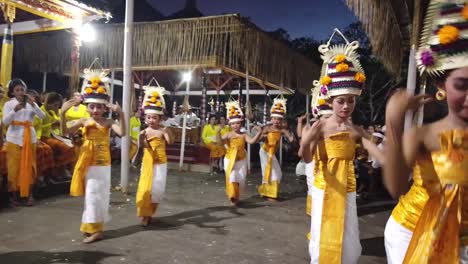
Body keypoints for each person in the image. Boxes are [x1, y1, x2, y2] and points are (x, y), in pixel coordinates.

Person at [383, 1, 468, 262]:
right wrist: (393, 123)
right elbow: (395, 187)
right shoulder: (422, 136)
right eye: (462, 85)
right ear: (442, 85)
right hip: (411, 232)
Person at [300, 35, 384, 263]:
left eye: (351, 101)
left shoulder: (355, 129)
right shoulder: (320, 125)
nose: (346, 105)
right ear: (331, 101)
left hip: (347, 187)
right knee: (322, 229)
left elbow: (376, 153)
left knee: (347, 231)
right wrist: (306, 144)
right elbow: (305, 155)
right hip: (323, 185)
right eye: (341, 101)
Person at [60, 67, 125, 244]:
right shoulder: (84, 121)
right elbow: (64, 131)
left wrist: (121, 114)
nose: (95, 110)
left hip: (102, 164)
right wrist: (62, 113)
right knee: (92, 195)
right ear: (87, 107)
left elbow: (123, 132)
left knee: (97, 195)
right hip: (87, 161)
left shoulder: (109, 122)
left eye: (99, 107)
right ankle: (92, 227)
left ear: (105, 108)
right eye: (92, 106)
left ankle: (96, 230)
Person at [2, 79, 46, 206]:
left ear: (25, 90)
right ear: (12, 92)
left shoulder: (31, 103)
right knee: (14, 167)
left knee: (30, 166)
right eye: (17, 90)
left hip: (30, 137)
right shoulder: (9, 104)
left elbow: (42, 116)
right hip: (13, 138)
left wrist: (33, 105)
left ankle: (28, 195)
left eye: (22, 89)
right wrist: (14, 110)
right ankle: (14, 195)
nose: (20, 92)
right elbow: (4, 122)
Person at [136, 85, 171, 226]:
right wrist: (140, 138)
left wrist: (167, 132)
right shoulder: (145, 131)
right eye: (149, 117)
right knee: (146, 188)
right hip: (148, 162)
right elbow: (143, 145)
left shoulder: (163, 130)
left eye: (154, 118)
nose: (151, 120)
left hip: (161, 163)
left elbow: (170, 142)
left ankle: (150, 212)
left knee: (157, 190)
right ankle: (145, 214)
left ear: (160, 118)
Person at [219, 99, 262, 205]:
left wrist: (259, 133)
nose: (235, 126)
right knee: (232, 177)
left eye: (237, 123)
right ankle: (232, 197)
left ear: (240, 123)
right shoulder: (228, 134)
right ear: (230, 125)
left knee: (241, 180)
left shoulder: (244, 134)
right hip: (230, 160)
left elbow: (251, 141)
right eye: (233, 124)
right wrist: (218, 132)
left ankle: (236, 196)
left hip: (241, 160)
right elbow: (220, 141)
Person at [258, 96, 295, 200]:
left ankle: (267, 192)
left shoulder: (282, 130)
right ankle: (270, 195)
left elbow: (291, 138)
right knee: (272, 172)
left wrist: (293, 136)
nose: (276, 121)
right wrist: (263, 137)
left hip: (272, 153)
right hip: (265, 152)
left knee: (278, 173)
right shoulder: (267, 128)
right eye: (274, 118)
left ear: (282, 120)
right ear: (271, 118)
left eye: (279, 119)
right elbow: (258, 139)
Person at [40, 92, 75, 180]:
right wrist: (51, 124)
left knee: (70, 145)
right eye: (55, 105)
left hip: (53, 135)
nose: (56, 108)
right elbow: (37, 127)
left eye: (58, 106)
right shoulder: (40, 111)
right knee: (64, 147)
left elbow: (58, 121)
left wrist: (60, 121)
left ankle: (61, 169)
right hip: (43, 137)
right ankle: (58, 170)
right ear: (48, 103)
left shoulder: (52, 111)